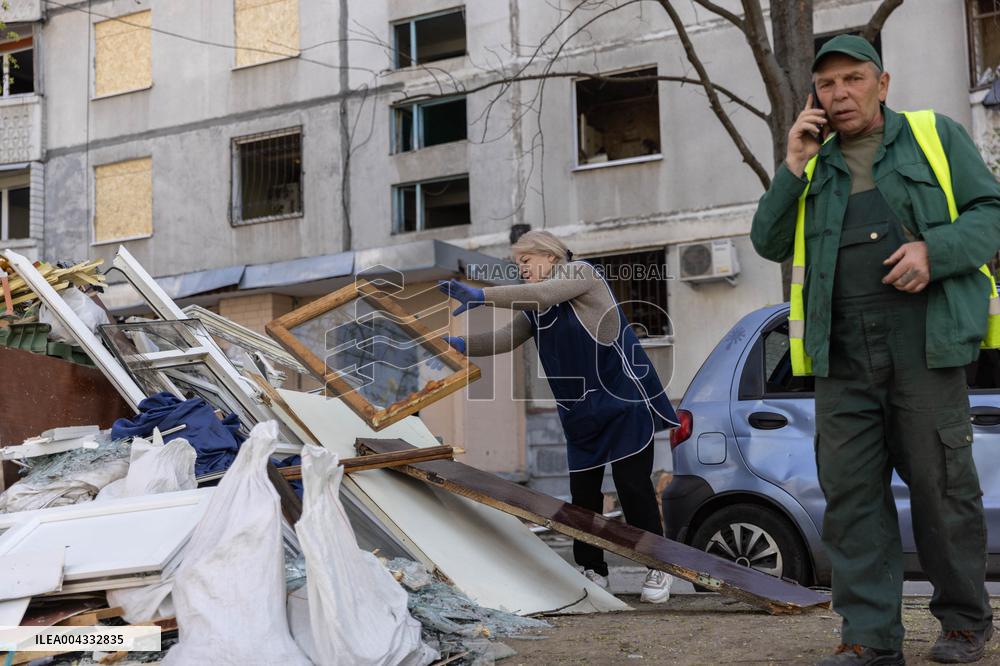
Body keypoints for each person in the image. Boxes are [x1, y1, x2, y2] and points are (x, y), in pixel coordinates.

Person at [751, 35, 1000, 665]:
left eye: (854, 80)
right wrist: (792, 165)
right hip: (841, 356)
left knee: (944, 493)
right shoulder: (817, 164)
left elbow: (990, 210)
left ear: (881, 84)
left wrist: (933, 252)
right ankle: (869, 637)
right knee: (852, 500)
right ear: (815, 95)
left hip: (924, 345)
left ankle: (966, 624)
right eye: (828, 85)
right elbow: (767, 241)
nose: (841, 95)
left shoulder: (932, 135)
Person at [437, 230, 679, 603]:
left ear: (550, 257)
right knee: (582, 498)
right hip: (581, 414)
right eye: (518, 265)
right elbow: (505, 337)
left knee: (633, 487)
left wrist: (483, 295)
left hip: (623, 404)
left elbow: (542, 293)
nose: (522, 270)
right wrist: (463, 345)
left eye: (526, 261)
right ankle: (593, 571)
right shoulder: (537, 309)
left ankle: (658, 567)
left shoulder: (582, 274)